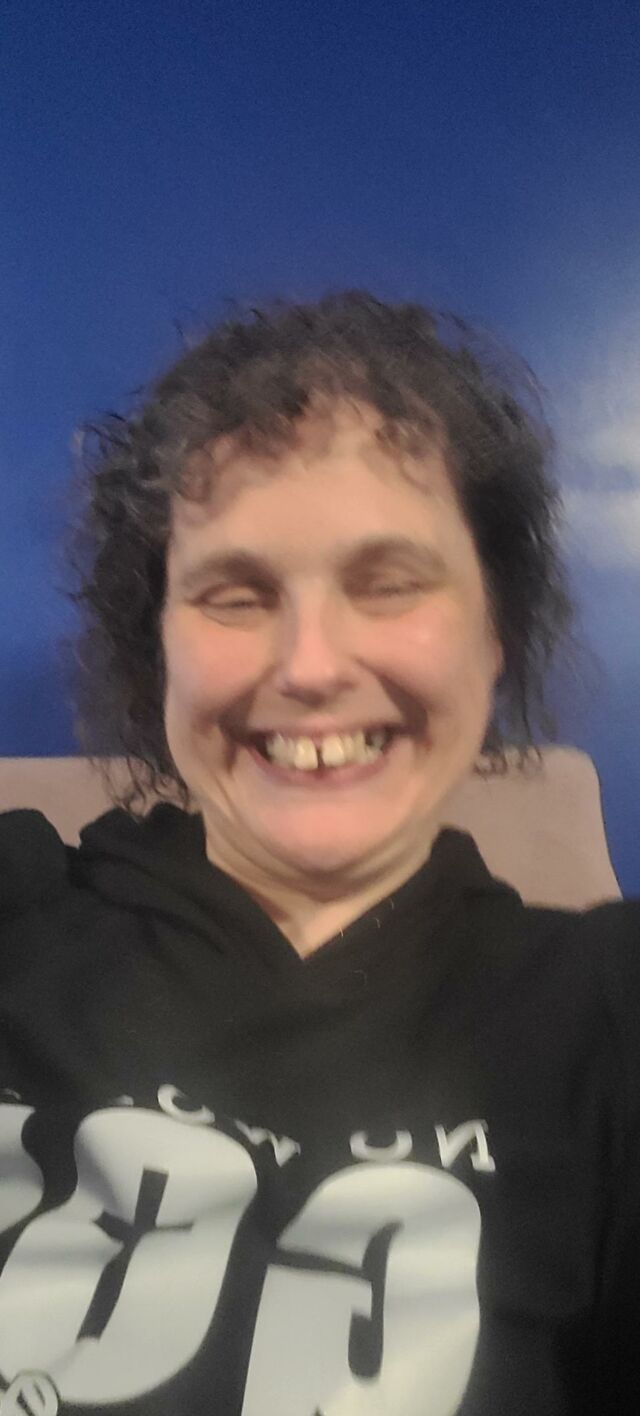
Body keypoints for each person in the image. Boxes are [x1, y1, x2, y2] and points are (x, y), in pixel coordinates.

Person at [0, 291, 638, 1415]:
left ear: (492, 636)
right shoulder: (19, 911)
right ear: (159, 653)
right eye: (234, 595)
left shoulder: (607, 1015)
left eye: (388, 584)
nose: (308, 665)